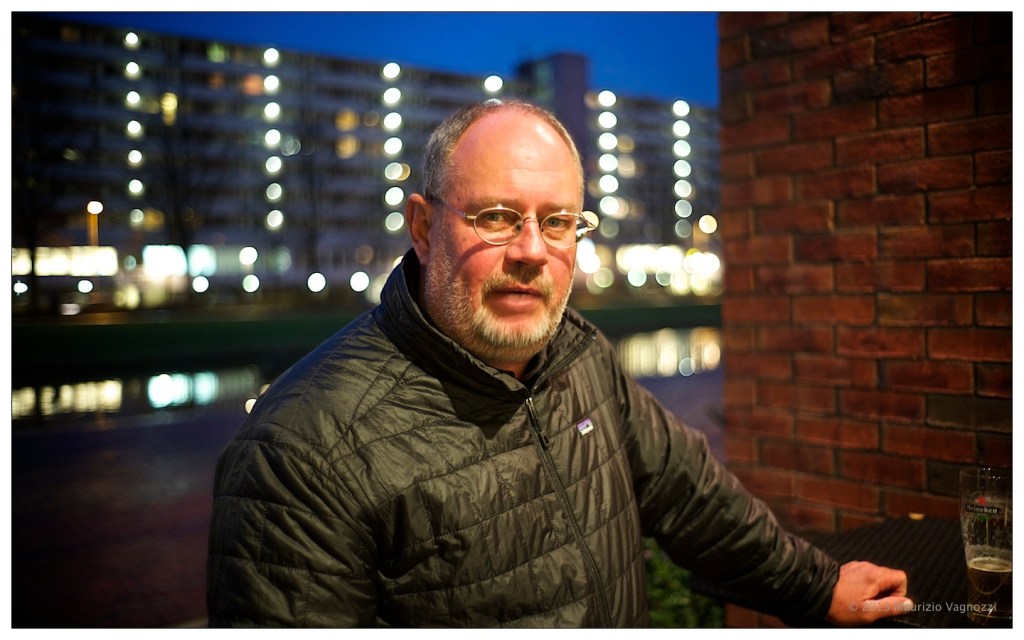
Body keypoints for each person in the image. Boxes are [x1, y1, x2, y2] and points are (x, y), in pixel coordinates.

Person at [206, 99, 911, 627]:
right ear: (423, 227)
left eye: (558, 221)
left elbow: (692, 497)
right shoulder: (301, 452)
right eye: (495, 216)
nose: (531, 250)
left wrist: (816, 589)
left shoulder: (580, 355)